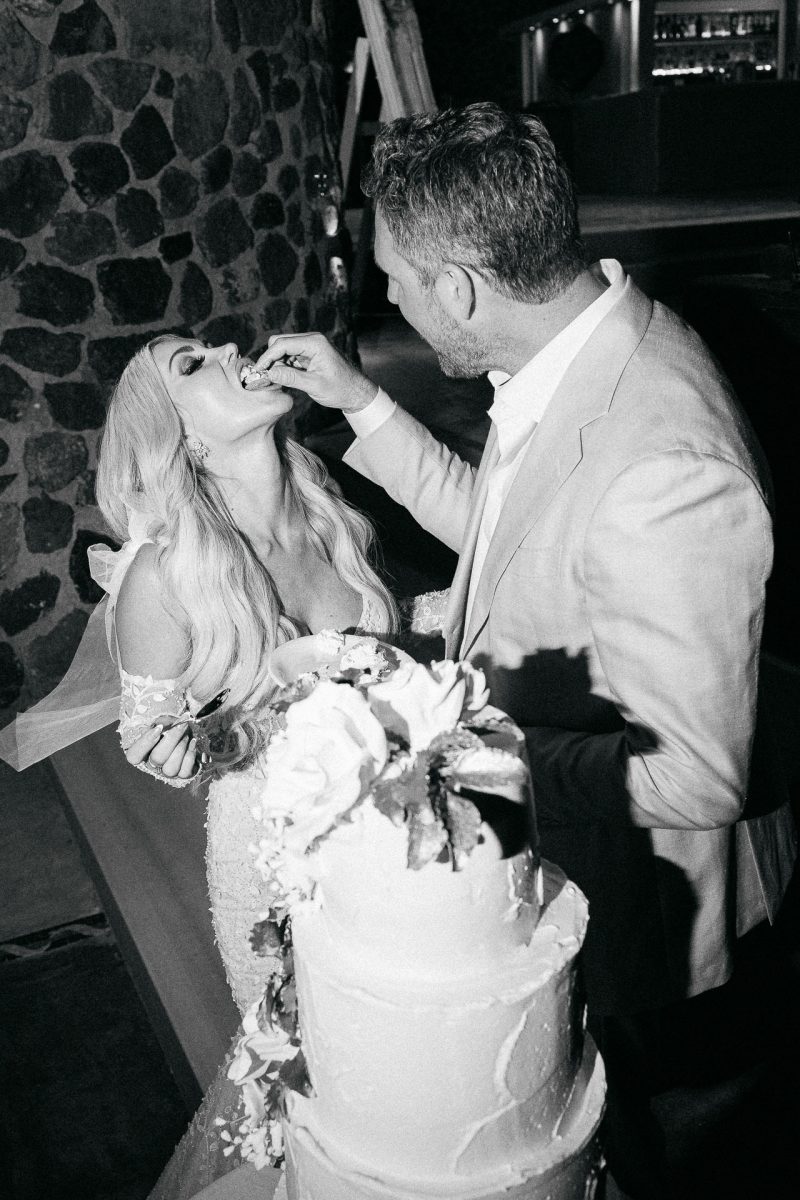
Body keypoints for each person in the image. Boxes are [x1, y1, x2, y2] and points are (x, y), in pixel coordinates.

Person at [256, 103, 798, 1198]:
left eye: (396, 280)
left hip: (638, 910)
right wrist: (361, 404)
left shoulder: (663, 469)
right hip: (584, 847)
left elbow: (696, 779)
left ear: (460, 286)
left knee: (594, 1140)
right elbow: (510, 533)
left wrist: (461, 756)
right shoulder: (573, 347)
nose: (388, 299)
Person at [0, 333, 409, 1199]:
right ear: (181, 439)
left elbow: (386, 640)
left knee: (412, 1073)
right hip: (276, 872)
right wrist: (234, 739)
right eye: (192, 364)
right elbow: (156, 745)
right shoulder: (164, 576)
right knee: (320, 1091)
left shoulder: (323, 510)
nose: (228, 346)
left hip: (390, 831)